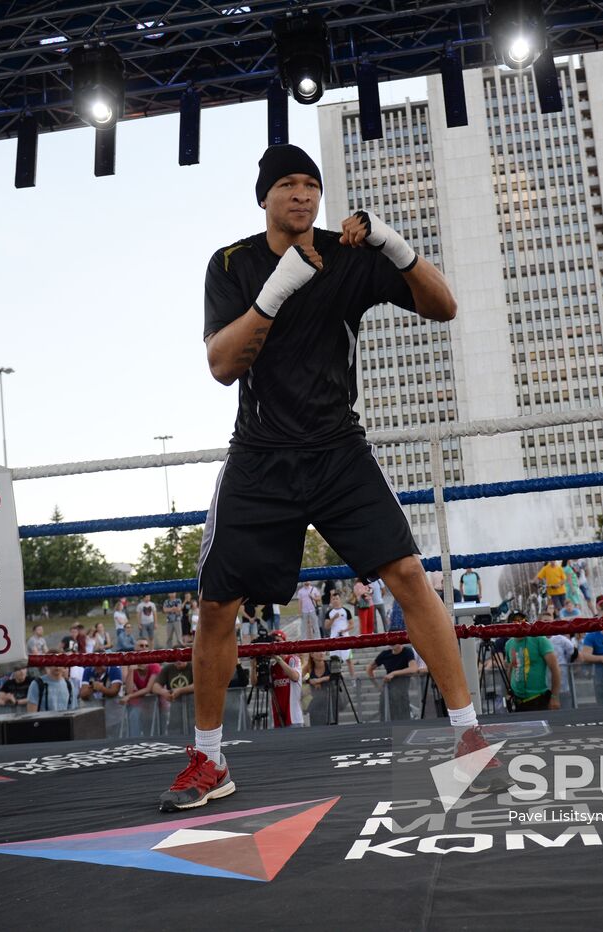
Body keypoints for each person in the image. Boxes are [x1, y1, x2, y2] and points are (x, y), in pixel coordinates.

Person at [164, 143, 496, 811]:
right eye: (287, 184)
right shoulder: (230, 264)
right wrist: (278, 288)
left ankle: (468, 737)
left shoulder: (348, 256)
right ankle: (208, 759)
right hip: (259, 454)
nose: (302, 194)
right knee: (215, 604)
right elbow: (222, 365)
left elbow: (444, 306)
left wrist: (394, 245)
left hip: (338, 448)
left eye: (311, 184)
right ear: (264, 197)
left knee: (408, 574)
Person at [502, 616, 561, 713]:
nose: (519, 625)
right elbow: (510, 668)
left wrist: (554, 696)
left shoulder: (539, 639)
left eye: (522, 622)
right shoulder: (509, 644)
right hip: (517, 701)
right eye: (515, 623)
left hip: (538, 699)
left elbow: (555, 668)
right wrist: (508, 691)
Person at [121, 639, 161, 736]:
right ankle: (134, 744)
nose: (144, 648)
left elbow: (148, 688)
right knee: (134, 715)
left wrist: (129, 697)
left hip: (159, 705)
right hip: (144, 706)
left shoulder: (154, 665)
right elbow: (129, 690)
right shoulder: (133, 667)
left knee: (158, 733)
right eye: (141, 646)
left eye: (146, 646)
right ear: (135, 649)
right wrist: (131, 670)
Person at [369, 643, 420, 719]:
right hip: (387, 690)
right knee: (385, 715)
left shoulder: (407, 651)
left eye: (395, 641)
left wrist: (394, 673)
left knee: (402, 716)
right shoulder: (385, 654)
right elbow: (369, 668)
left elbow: (413, 669)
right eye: (390, 641)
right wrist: (377, 685)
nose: (392, 643)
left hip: (401, 691)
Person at [326, 592, 356, 679]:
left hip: (345, 638)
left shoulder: (346, 611)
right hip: (334, 639)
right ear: (331, 600)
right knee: (335, 661)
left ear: (340, 600)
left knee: (349, 660)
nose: (335, 601)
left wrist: (344, 630)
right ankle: (338, 680)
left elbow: (352, 625)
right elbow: (326, 626)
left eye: (337, 599)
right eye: (333, 599)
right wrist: (333, 618)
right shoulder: (329, 613)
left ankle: (353, 679)